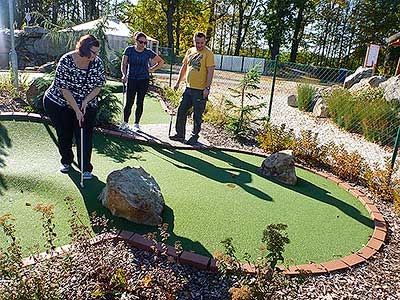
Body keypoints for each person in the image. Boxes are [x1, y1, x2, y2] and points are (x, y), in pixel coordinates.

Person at [43, 34, 106, 179]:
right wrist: (76, 110)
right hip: (60, 102)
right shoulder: (66, 60)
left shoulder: (97, 63)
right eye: (94, 52)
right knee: (64, 133)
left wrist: (85, 102)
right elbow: (63, 89)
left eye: (98, 52)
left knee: (84, 134)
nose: (96, 55)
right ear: (84, 49)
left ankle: (86, 168)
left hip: (86, 102)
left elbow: (98, 86)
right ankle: (66, 161)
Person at [169, 31, 215, 145]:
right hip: (188, 88)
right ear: (194, 41)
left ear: (205, 41)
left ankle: (194, 136)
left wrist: (207, 88)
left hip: (200, 90)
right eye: (197, 42)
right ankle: (180, 134)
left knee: (197, 114)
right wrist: (178, 82)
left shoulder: (208, 53)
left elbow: (210, 72)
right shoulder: (190, 51)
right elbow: (184, 67)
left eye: (202, 43)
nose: (199, 45)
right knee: (181, 110)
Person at [120, 32, 164, 132]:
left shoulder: (148, 52)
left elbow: (161, 61)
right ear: (136, 41)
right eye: (141, 42)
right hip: (131, 79)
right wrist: (124, 74)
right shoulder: (129, 50)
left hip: (143, 79)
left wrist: (152, 69)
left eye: (145, 43)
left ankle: (136, 124)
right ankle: (125, 122)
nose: (143, 44)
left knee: (140, 102)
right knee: (129, 102)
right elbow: (124, 64)